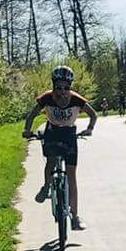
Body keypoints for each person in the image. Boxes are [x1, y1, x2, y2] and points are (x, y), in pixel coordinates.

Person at [23, 65, 96, 227]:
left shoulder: (77, 99)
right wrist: (27, 130)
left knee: (71, 176)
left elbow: (93, 115)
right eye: (58, 87)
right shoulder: (46, 98)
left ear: (70, 86)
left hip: (69, 134)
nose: (62, 91)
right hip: (52, 131)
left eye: (66, 88)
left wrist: (89, 129)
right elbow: (31, 115)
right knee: (50, 162)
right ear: (53, 85)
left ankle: (75, 217)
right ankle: (46, 187)